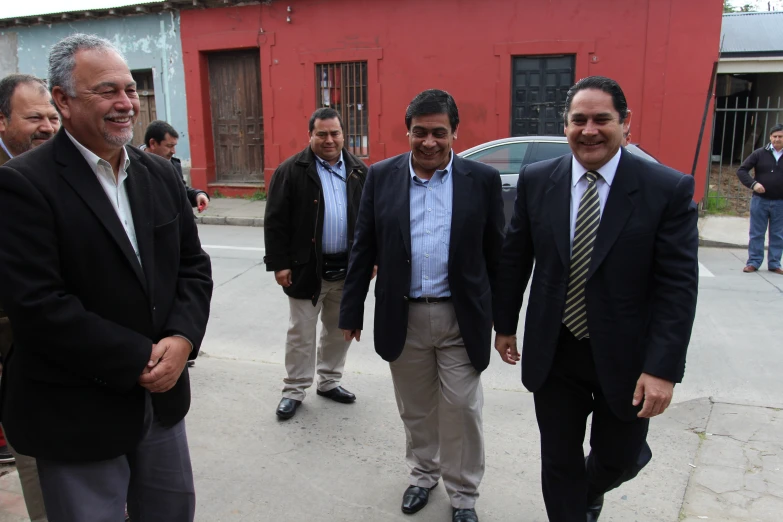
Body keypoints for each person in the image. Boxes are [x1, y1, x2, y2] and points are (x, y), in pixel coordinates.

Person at [0, 33, 213, 522]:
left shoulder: (158, 174)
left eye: (130, 89)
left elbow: (192, 267)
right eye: (107, 91)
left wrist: (182, 338)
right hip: (77, 412)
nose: (125, 104)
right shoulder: (24, 184)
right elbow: (38, 306)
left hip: (161, 401)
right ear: (63, 100)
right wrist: (139, 356)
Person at [493, 76, 698, 522]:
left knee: (619, 458)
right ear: (565, 126)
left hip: (627, 357)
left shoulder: (666, 189)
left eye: (601, 119)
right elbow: (515, 257)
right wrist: (505, 324)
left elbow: (677, 288)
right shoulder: (536, 180)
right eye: (578, 120)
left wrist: (662, 368)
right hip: (555, 349)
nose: (589, 130)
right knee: (559, 460)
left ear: (625, 124)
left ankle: (591, 488)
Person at [339, 89, 505, 522]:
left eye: (438, 132)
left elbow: (497, 255)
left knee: (463, 408)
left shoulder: (482, 181)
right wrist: (351, 311)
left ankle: (464, 494)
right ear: (407, 131)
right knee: (416, 408)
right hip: (404, 314)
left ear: (455, 133)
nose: (428, 142)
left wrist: (504, 322)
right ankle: (423, 474)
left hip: (461, 316)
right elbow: (363, 246)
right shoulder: (381, 177)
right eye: (419, 132)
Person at [263, 107, 368, 420]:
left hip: (347, 270)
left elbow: (371, 221)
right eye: (322, 134)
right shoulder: (291, 170)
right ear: (311, 135)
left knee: (338, 331)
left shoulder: (359, 170)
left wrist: (371, 261)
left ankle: (329, 381)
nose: (329, 140)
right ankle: (294, 389)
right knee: (302, 333)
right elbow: (275, 221)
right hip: (306, 269)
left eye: (334, 133)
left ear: (343, 135)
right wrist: (280, 264)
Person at [0, 72, 60, 522]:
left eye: (53, 116)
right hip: (14, 338)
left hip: (61, 335)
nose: (48, 126)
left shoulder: (57, 167)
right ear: (2, 122)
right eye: (34, 117)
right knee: (35, 450)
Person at [736, 123, 783, 274]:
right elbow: (742, 170)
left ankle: (774, 263)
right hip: (760, 201)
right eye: (774, 136)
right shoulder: (759, 153)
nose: (777, 139)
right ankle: (754, 262)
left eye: (780, 137)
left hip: (780, 202)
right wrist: (753, 184)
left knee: (778, 234)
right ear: (770, 137)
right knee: (756, 232)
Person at [142, 120, 210, 213]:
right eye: (169, 146)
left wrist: (198, 195)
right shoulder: (131, 165)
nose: (173, 151)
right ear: (153, 143)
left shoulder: (174, 165)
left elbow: (181, 191)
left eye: (174, 146)